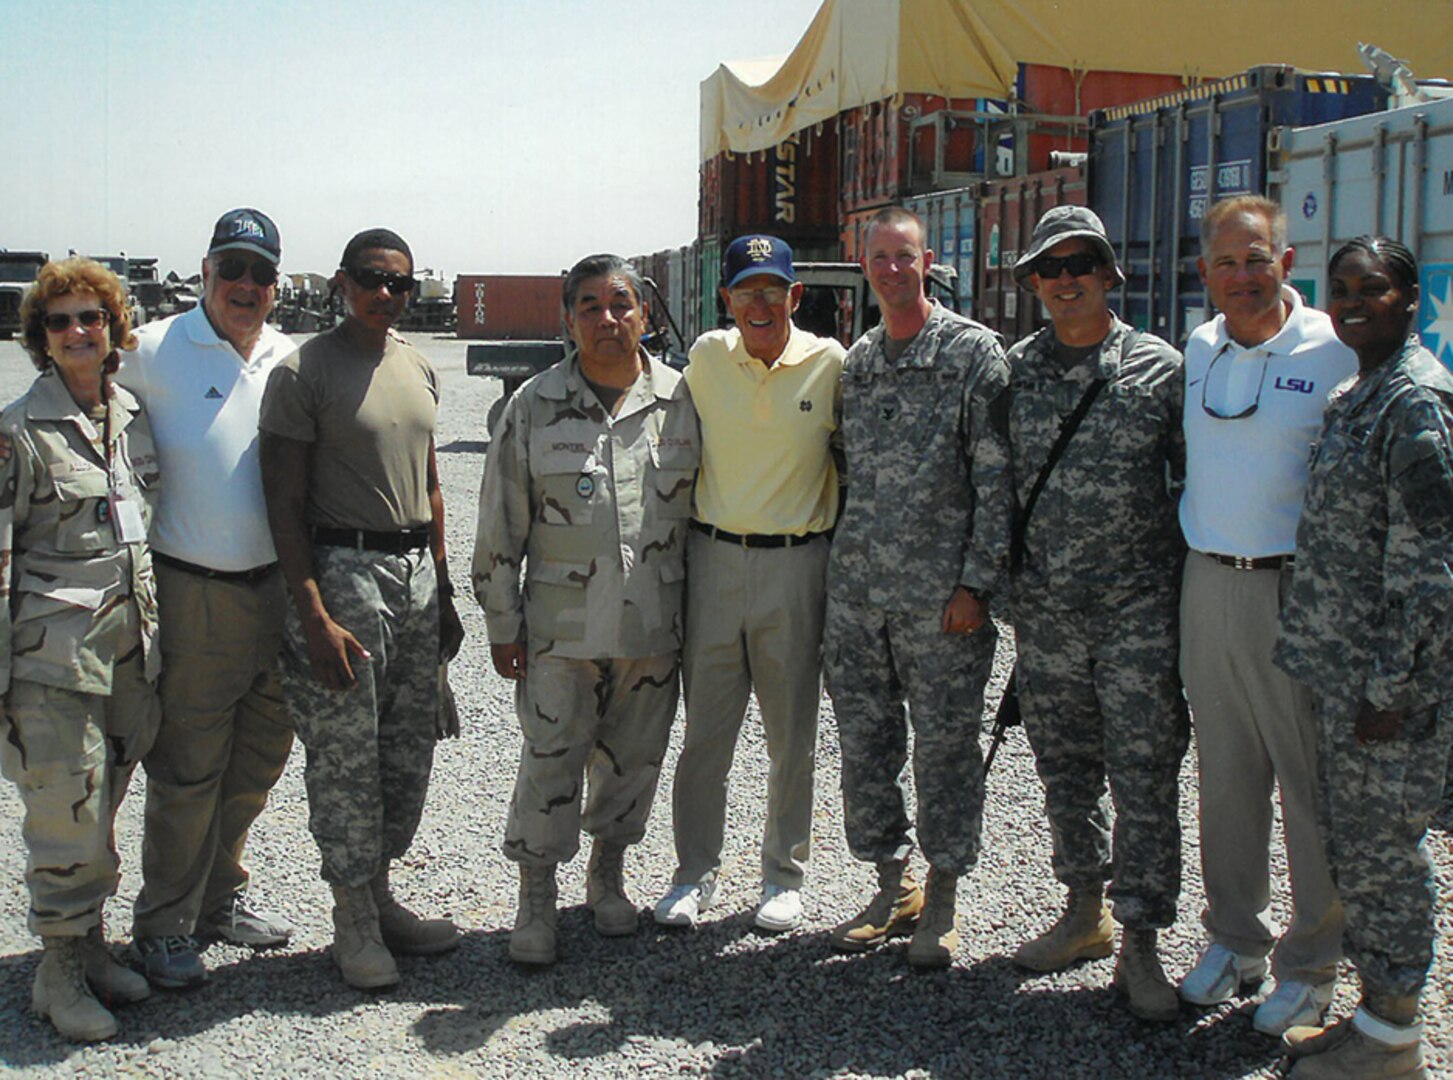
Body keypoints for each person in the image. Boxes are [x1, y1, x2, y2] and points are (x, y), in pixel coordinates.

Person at [474, 254, 698, 967]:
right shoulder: (533, 406)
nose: (609, 319)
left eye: (622, 303)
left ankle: (608, 879)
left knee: (634, 762)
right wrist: (501, 625)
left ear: (642, 313)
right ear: (567, 319)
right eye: (591, 306)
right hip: (558, 632)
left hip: (651, 630)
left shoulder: (682, 399)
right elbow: (499, 526)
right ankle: (535, 899)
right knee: (550, 760)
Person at [260, 228, 464, 990]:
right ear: (344, 282)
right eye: (373, 280)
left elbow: (432, 483)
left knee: (406, 748)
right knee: (346, 753)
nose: (387, 294)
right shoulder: (303, 372)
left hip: (411, 571)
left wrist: (441, 588)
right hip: (342, 570)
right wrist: (310, 611)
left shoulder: (416, 366)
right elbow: (280, 500)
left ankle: (380, 897)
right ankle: (351, 917)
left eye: (401, 284)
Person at [1003, 207, 1189, 1021]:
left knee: (1145, 776)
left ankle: (1141, 943)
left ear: (1111, 273)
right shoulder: (1011, 373)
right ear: (1033, 283)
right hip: (1047, 614)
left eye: (1082, 262)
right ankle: (1084, 913)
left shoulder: (1161, 370)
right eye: (1050, 266)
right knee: (1064, 772)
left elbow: (1197, 488)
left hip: (1137, 612)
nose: (1066, 277)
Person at [1274, 237, 1453, 1080]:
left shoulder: (1414, 404)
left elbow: (1431, 575)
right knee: (1358, 853)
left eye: (1370, 288)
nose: (1349, 302)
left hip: (1383, 694)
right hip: (1343, 678)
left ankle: (1392, 1041)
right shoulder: (1362, 393)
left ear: (1409, 298)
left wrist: (1389, 689)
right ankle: (1377, 1020)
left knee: (1385, 859)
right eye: (1339, 288)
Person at [1178, 195, 1350, 1035]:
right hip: (1208, 583)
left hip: (1297, 593)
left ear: (1286, 264)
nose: (1241, 276)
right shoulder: (1198, 346)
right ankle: (1234, 940)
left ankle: (1311, 962)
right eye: (1225, 262)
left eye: (1257, 260)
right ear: (1203, 272)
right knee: (1224, 779)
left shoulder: (1335, 349)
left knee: (1308, 787)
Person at [823, 206, 1011, 969]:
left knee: (944, 751)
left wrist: (977, 585)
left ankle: (942, 896)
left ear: (926, 260)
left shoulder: (972, 356)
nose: (892, 270)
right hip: (859, 598)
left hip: (942, 604)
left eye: (905, 257)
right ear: (863, 263)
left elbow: (997, 484)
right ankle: (888, 883)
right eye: (880, 258)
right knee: (866, 748)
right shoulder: (859, 361)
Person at [119, 209, 297, 988]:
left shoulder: (292, 358)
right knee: (187, 769)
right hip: (196, 594)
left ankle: (218, 901)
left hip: (281, 595)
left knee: (257, 762)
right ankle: (161, 925)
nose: (246, 286)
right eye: (233, 268)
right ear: (205, 272)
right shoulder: (154, 351)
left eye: (261, 273)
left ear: (277, 284)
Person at [654, 234, 844, 932]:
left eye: (773, 289)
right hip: (713, 562)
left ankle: (782, 875)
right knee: (705, 731)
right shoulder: (706, 358)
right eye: (745, 290)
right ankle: (692, 873)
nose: (759, 303)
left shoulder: (830, 365)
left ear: (795, 296)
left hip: (796, 564)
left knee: (790, 733)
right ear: (725, 299)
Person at [1, 259, 161, 1039]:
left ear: (112, 328)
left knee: (103, 804)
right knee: (65, 810)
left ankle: (92, 949)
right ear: (40, 336)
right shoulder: (17, 431)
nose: (76, 332)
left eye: (89, 318)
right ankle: (56, 975)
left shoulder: (129, 416)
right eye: (58, 321)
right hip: (50, 660)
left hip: (127, 651)